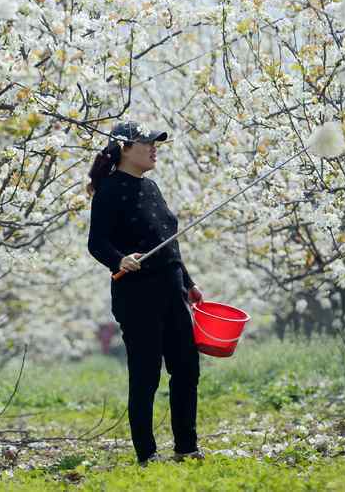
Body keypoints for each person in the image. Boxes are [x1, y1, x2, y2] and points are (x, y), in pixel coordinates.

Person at [86, 120, 205, 466]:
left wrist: (189, 282)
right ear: (124, 148)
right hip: (137, 295)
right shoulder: (108, 191)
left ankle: (186, 445)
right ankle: (147, 454)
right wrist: (119, 259)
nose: (154, 148)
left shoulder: (151, 187)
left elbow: (167, 243)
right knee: (146, 374)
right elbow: (97, 243)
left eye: (156, 142)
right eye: (147, 142)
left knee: (186, 369)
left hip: (173, 290)